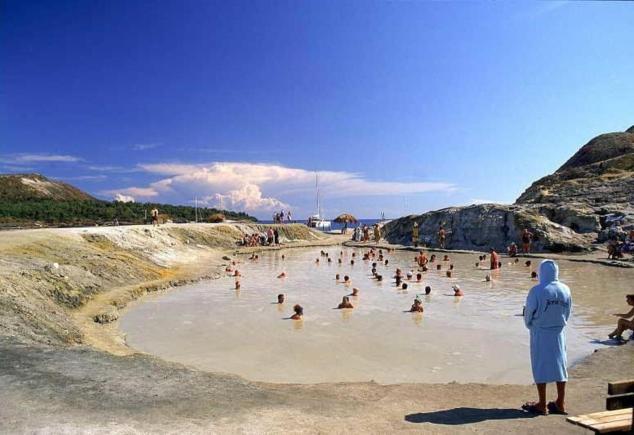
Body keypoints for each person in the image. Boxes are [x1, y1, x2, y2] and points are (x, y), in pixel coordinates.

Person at [522, 260, 572, 416]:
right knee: (561, 366)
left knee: (540, 365)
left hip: (541, 332)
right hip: (559, 332)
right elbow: (568, 311)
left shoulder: (536, 291)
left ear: (541, 272)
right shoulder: (565, 289)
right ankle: (560, 402)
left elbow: (529, 312)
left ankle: (542, 404)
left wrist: (529, 325)